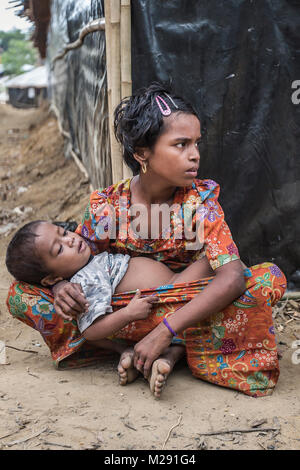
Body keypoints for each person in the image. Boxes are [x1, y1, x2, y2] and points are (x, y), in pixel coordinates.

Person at [6, 83, 286, 398]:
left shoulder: (200, 201)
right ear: (142, 153)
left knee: (266, 279)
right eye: (180, 144)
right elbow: (71, 258)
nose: (194, 155)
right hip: (126, 315)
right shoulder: (108, 206)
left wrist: (165, 330)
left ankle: (165, 345)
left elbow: (232, 277)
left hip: (186, 304)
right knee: (21, 293)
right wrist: (59, 288)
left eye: (196, 143)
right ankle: (140, 349)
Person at [6, 219, 215, 396]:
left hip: (174, 290)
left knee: (187, 331)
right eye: (59, 249)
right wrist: (128, 313)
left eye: (63, 232)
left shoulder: (88, 263)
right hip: (174, 291)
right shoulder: (86, 280)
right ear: (52, 277)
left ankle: (162, 359)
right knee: (218, 262)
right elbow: (90, 330)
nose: (70, 239)